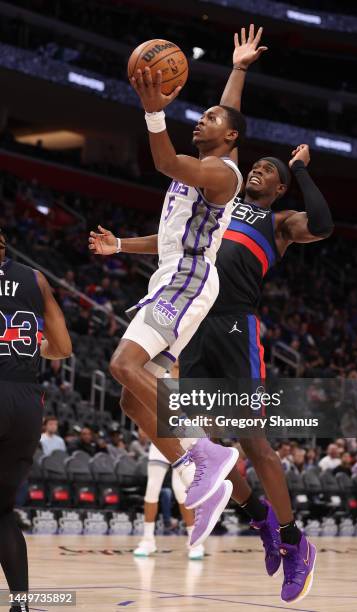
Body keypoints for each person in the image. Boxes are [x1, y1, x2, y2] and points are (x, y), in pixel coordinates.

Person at [90, 26, 332, 603]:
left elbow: (317, 221)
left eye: (270, 172)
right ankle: (257, 518)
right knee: (150, 408)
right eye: (260, 168)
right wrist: (239, 66)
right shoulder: (227, 190)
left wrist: (299, 171)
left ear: (277, 183)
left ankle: (296, 539)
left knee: (253, 441)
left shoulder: (273, 221)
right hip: (191, 317)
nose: (260, 174)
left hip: (230, 322)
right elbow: (225, 119)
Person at [91, 41, 245, 531]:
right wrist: (120, 246)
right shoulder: (199, 172)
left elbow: (166, 162)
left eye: (212, 119)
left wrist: (155, 115)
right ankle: (198, 475)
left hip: (188, 280)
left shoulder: (221, 172)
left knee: (122, 364)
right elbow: (168, 239)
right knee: (132, 398)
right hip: (173, 276)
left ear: (231, 137)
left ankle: (203, 451)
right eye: (199, 115)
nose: (201, 120)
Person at [0, 227, 72, 612]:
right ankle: (21, 604)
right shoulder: (36, 278)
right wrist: (33, 347)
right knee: (3, 511)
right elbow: (62, 347)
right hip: (26, 405)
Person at [134, 442, 204, 560]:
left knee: (181, 490)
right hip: (158, 437)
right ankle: (147, 540)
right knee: (152, 487)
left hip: (182, 439)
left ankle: (195, 541)